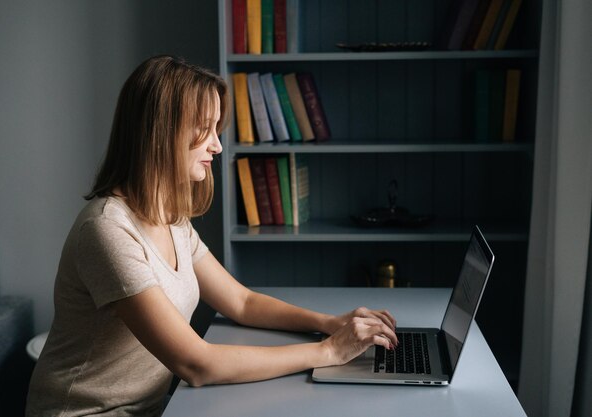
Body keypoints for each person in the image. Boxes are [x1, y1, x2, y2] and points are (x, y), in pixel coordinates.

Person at [25, 55, 398, 417]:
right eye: (205, 129)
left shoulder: (171, 217)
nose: (217, 146)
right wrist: (328, 353)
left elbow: (241, 302)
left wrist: (328, 323)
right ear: (162, 130)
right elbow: (196, 363)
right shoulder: (107, 230)